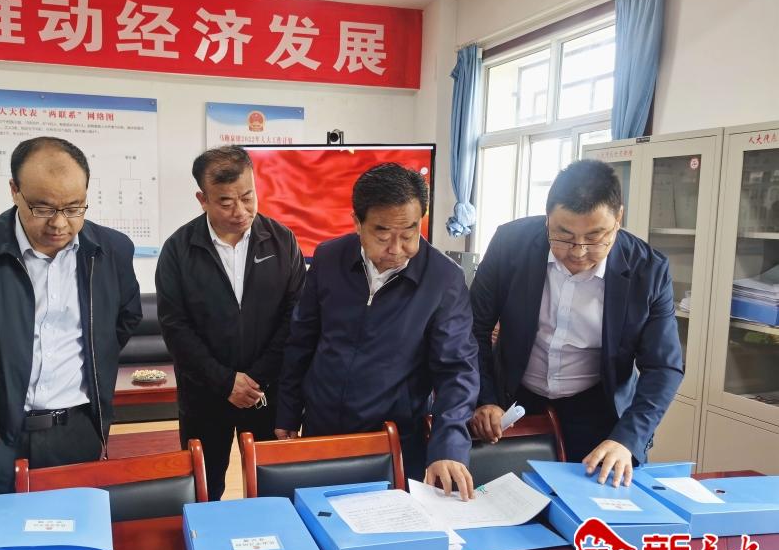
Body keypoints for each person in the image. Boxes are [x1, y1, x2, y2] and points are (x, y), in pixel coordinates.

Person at [0, 137, 142, 537]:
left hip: (76, 432)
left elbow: (123, 320)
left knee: (73, 542)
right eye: (43, 208)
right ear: (14, 191)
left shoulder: (111, 251)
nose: (59, 224)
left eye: (74, 208)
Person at [469, 160, 683, 489]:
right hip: (514, 402)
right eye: (564, 236)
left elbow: (663, 367)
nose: (579, 252)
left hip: (598, 411)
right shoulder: (511, 244)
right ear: (547, 219)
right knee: (503, 498)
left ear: (618, 218)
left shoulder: (647, 270)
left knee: (591, 509)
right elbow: (473, 328)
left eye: (595, 237)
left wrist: (627, 439)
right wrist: (485, 399)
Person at [276, 163, 479, 499]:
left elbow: (457, 370)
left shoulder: (443, 279)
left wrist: (449, 446)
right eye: (383, 236)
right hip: (322, 429)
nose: (396, 249)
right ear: (357, 223)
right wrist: (287, 412)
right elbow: (301, 340)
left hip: (393, 440)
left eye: (409, 234)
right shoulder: (329, 258)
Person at [157, 146, 306, 501]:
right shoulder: (179, 250)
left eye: (247, 196)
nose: (240, 211)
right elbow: (175, 328)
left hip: (266, 394)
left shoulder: (282, 241)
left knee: (274, 491)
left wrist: (256, 379)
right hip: (204, 396)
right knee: (204, 490)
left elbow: (295, 315)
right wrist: (225, 381)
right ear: (202, 199)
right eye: (225, 202)